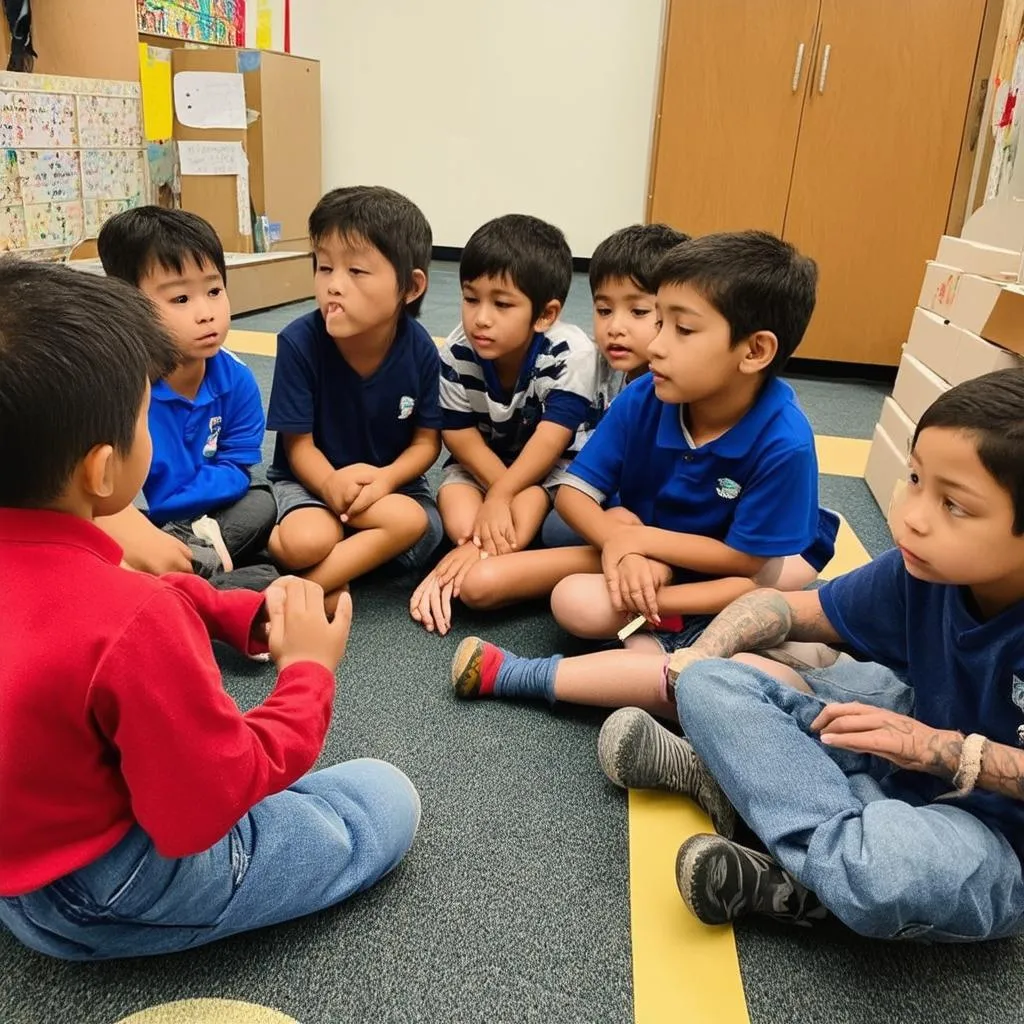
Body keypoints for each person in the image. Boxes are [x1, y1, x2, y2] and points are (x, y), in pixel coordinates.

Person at [0, 260, 419, 961]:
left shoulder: (99, 583)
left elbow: (99, 590)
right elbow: (203, 808)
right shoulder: (131, 621)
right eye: (144, 417)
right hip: (103, 895)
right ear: (103, 470)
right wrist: (307, 675)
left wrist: (233, 612)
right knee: (385, 798)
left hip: (18, 858)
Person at [596, 368, 1024, 942]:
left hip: (987, 834)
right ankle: (808, 848)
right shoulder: (924, 569)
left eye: (956, 506)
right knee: (713, 682)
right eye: (916, 478)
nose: (913, 515)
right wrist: (702, 654)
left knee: (895, 871)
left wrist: (934, 748)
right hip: (894, 751)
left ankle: (769, 831)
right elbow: (788, 608)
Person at [451, 231, 838, 716]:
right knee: (573, 602)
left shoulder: (785, 441)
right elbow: (573, 495)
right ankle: (672, 659)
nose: (653, 346)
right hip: (663, 560)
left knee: (766, 630)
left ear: (754, 351)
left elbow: (742, 568)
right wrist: (619, 542)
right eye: (658, 323)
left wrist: (644, 563)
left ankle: (667, 655)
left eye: (682, 330)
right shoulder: (644, 397)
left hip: (727, 576)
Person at [409, 222, 688, 635]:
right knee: (484, 530)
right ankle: (493, 555)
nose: (615, 326)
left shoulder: (583, 359)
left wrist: (506, 500)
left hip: (585, 493)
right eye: (604, 309)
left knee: (550, 531)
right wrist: (491, 515)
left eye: (639, 311)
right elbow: (458, 433)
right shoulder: (618, 378)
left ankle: (627, 562)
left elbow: (558, 447)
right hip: (572, 497)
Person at [408, 213, 601, 631]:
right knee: (458, 518)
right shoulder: (458, 349)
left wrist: (505, 496)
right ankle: (478, 550)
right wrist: (497, 490)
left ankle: (470, 558)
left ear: (545, 314)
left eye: (502, 304)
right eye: (470, 298)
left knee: (524, 514)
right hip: (482, 465)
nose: (480, 318)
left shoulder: (570, 352)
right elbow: (458, 435)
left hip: (549, 470)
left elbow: (552, 440)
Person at [266, 186, 444, 614]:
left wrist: (385, 480)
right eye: (324, 267)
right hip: (312, 482)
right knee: (307, 539)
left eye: (357, 272)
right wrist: (330, 485)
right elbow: (299, 446)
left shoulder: (421, 349)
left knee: (420, 525)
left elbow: (426, 443)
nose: (334, 286)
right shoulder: (299, 343)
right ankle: (343, 560)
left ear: (411, 287)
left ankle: (302, 588)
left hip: (389, 489)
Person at [95, 207, 278, 589]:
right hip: (136, 515)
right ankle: (207, 570)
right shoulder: (118, 387)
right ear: (129, 304)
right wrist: (157, 517)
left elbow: (236, 465)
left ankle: (189, 566)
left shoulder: (237, 380)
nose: (206, 313)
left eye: (214, 291)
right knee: (94, 530)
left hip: (206, 509)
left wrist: (182, 500)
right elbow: (108, 495)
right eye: (180, 299)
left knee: (262, 499)